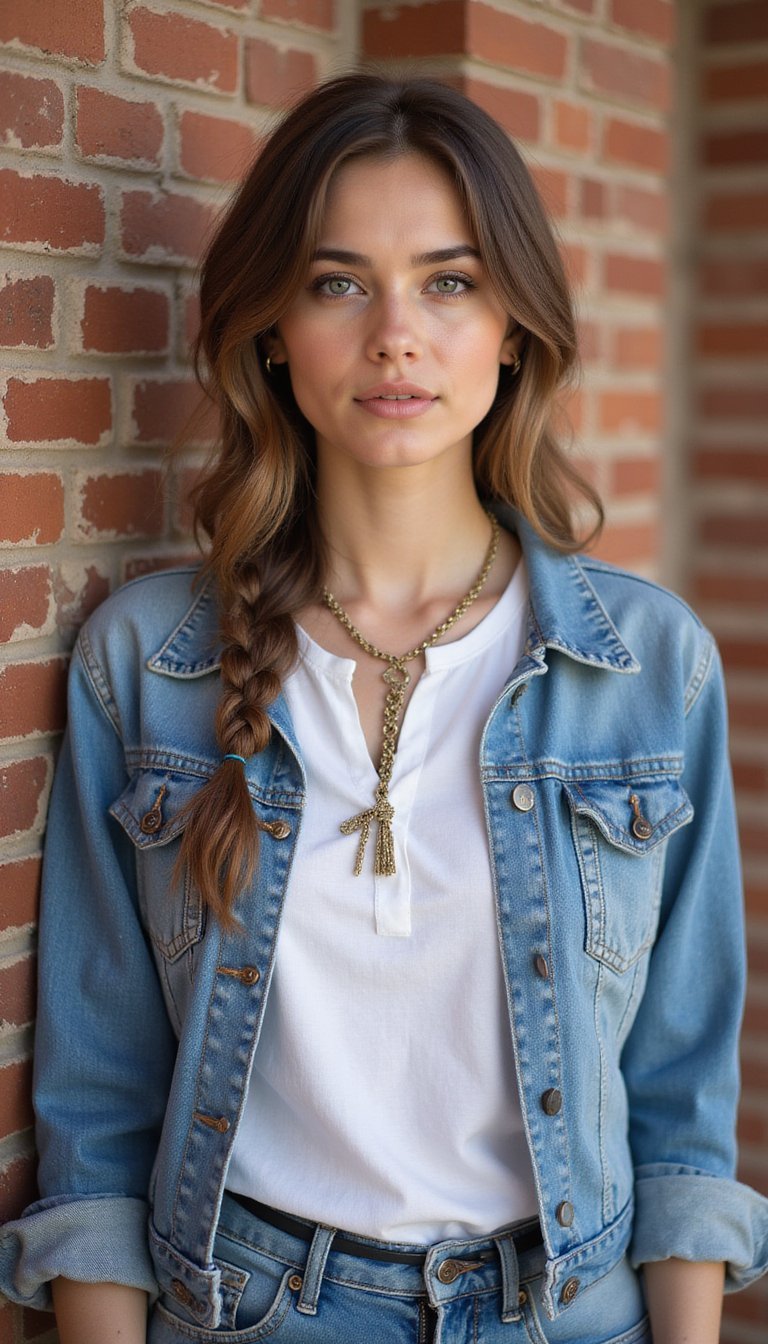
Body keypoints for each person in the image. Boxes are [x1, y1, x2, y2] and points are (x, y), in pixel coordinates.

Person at [1, 72, 767, 1344]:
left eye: (451, 283)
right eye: (339, 282)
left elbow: (681, 1092)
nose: (397, 334)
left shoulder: (646, 664)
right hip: (246, 1310)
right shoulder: (146, 663)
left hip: (569, 1312)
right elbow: (99, 1100)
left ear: (515, 327)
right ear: (271, 330)